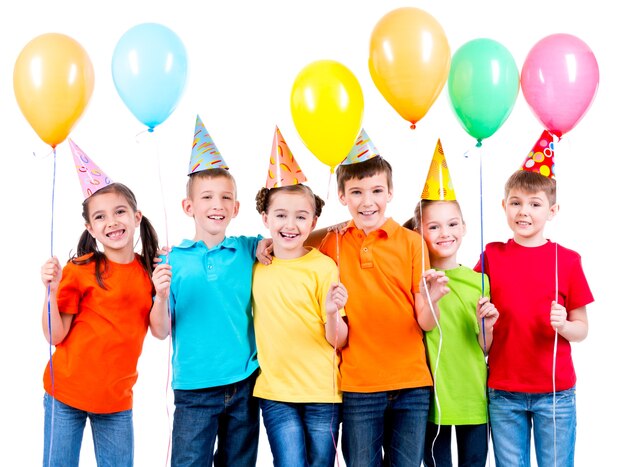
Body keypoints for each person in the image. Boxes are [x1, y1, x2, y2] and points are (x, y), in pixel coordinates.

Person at [316, 129, 449, 466]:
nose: (367, 201)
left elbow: (424, 321)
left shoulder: (411, 243)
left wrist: (432, 299)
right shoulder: (331, 243)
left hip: (412, 385)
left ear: (390, 193)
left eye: (376, 190)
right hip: (359, 386)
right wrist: (267, 244)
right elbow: (295, 236)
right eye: (356, 192)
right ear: (342, 196)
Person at [150, 116, 266, 466]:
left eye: (225, 197)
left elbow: (294, 237)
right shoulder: (171, 261)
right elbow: (159, 330)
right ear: (189, 207)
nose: (217, 204)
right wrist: (158, 295)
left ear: (236, 208)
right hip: (194, 390)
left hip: (245, 384)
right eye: (207, 197)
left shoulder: (249, 248)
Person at [475, 131, 594, 466]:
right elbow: (479, 334)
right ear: (504, 206)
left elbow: (583, 328)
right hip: (504, 392)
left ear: (552, 210)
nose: (523, 211)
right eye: (516, 202)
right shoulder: (491, 256)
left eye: (534, 204)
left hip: (555, 394)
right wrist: (483, 321)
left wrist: (565, 325)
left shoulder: (567, 260)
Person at [40, 140, 160, 467]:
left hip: (116, 402)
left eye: (120, 212)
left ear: (136, 217)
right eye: (101, 217)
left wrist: (163, 289)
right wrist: (51, 293)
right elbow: (55, 335)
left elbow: (160, 330)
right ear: (91, 228)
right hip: (65, 393)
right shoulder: (79, 270)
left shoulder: (149, 271)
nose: (112, 222)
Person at [251, 127, 349, 467]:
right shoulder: (254, 263)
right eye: (280, 215)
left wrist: (334, 312)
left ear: (314, 221)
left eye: (300, 216)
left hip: (324, 393)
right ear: (265, 219)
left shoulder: (323, 268)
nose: (290, 224)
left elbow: (338, 337)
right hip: (275, 393)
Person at [404, 140, 498, 467]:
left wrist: (487, 324)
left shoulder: (480, 280)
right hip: (434, 405)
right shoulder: (419, 278)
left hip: (474, 397)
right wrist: (433, 296)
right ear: (419, 232)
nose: (445, 232)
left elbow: (485, 347)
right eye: (434, 226)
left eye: (452, 224)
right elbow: (424, 325)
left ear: (464, 228)